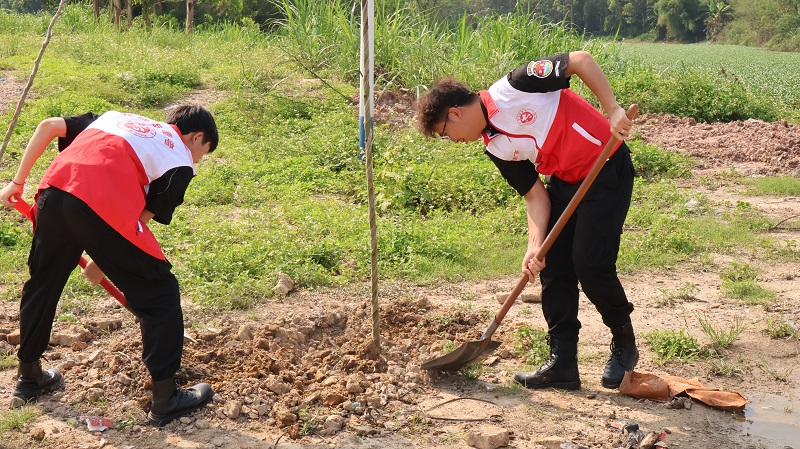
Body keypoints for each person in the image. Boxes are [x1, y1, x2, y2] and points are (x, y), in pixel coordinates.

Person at [416, 51, 638, 390]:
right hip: (565, 180)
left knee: (590, 264)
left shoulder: (518, 85)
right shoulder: (496, 147)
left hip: (605, 167)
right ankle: (563, 363)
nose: (454, 141)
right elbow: (536, 196)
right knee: (553, 265)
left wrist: (613, 110)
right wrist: (535, 248)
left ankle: (624, 343)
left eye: (446, 133)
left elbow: (580, 61)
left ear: (455, 113)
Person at [0, 104, 219, 425]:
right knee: (161, 295)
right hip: (99, 207)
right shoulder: (180, 158)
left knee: (42, 284)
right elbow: (138, 221)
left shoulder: (116, 119)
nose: (198, 159)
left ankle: (29, 376)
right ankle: (166, 398)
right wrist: (102, 261)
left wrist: (17, 183)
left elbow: (48, 126)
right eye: (204, 152)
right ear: (197, 137)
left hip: (54, 193)